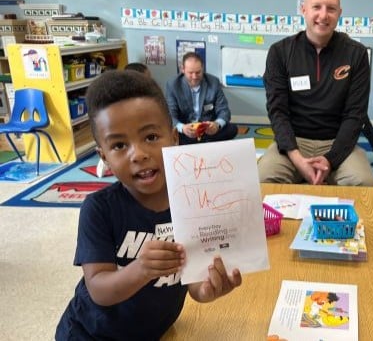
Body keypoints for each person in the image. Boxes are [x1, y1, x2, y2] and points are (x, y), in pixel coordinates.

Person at [56, 71, 242, 339]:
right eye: (119, 145)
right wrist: (141, 269)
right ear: (104, 157)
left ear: (174, 138)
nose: (139, 154)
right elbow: (98, 288)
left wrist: (207, 289)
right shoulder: (98, 209)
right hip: (92, 333)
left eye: (151, 137)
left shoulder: (194, 200)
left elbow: (194, 280)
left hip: (155, 331)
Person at [259, 0, 373, 186]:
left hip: (338, 144)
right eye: (317, 7)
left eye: (331, 9)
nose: (323, 15)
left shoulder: (356, 54)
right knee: (260, 181)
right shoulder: (279, 52)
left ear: (339, 13)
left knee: (366, 185)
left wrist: (330, 160)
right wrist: (297, 159)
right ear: (303, 10)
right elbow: (277, 111)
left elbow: (355, 115)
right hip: (293, 144)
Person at [165, 52, 237, 145]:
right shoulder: (173, 85)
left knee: (232, 129)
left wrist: (216, 125)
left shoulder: (213, 82)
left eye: (198, 72)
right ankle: (205, 143)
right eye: (190, 73)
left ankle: (200, 142)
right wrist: (182, 128)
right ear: (183, 69)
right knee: (171, 135)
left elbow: (224, 111)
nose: (194, 77)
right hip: (186, 130)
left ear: (203, 69)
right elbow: (170, 115)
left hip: (207, 129)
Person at [96, 62, 154, 178]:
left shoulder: (148, 95)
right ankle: (107, 159)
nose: (150, 81)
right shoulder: (118, 100)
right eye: (146, 78)